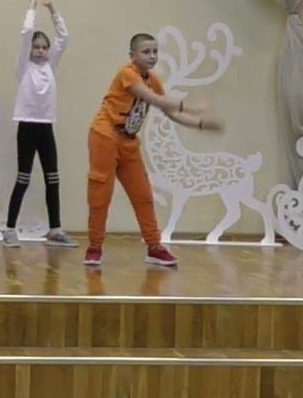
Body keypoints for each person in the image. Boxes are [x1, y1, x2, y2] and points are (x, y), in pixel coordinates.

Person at [84, 32, 221, 267]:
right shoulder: (127, 74)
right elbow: (152, 99)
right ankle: (95, 247)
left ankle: (154, 247)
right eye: (146, 52)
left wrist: (200, 124)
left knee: (143, 195)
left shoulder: (154, 80)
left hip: (129, 141)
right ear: (132, 55)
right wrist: (190, 105)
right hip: (105, 136)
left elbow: (171, 112)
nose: (152, 56)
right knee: (100, 193)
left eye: (155, 51)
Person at [2, 0, 74, 248]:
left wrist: (52, 10)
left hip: (46, 128)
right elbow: (25, 35)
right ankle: (10, 229)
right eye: (37, 47)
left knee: (53, 178)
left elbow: (64, 37)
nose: (41, 51)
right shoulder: (24, 67)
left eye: (45, 47)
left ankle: (55, 229)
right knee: (23, 178)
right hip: (27, 127)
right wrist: (32, 9)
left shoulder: (50, 66)